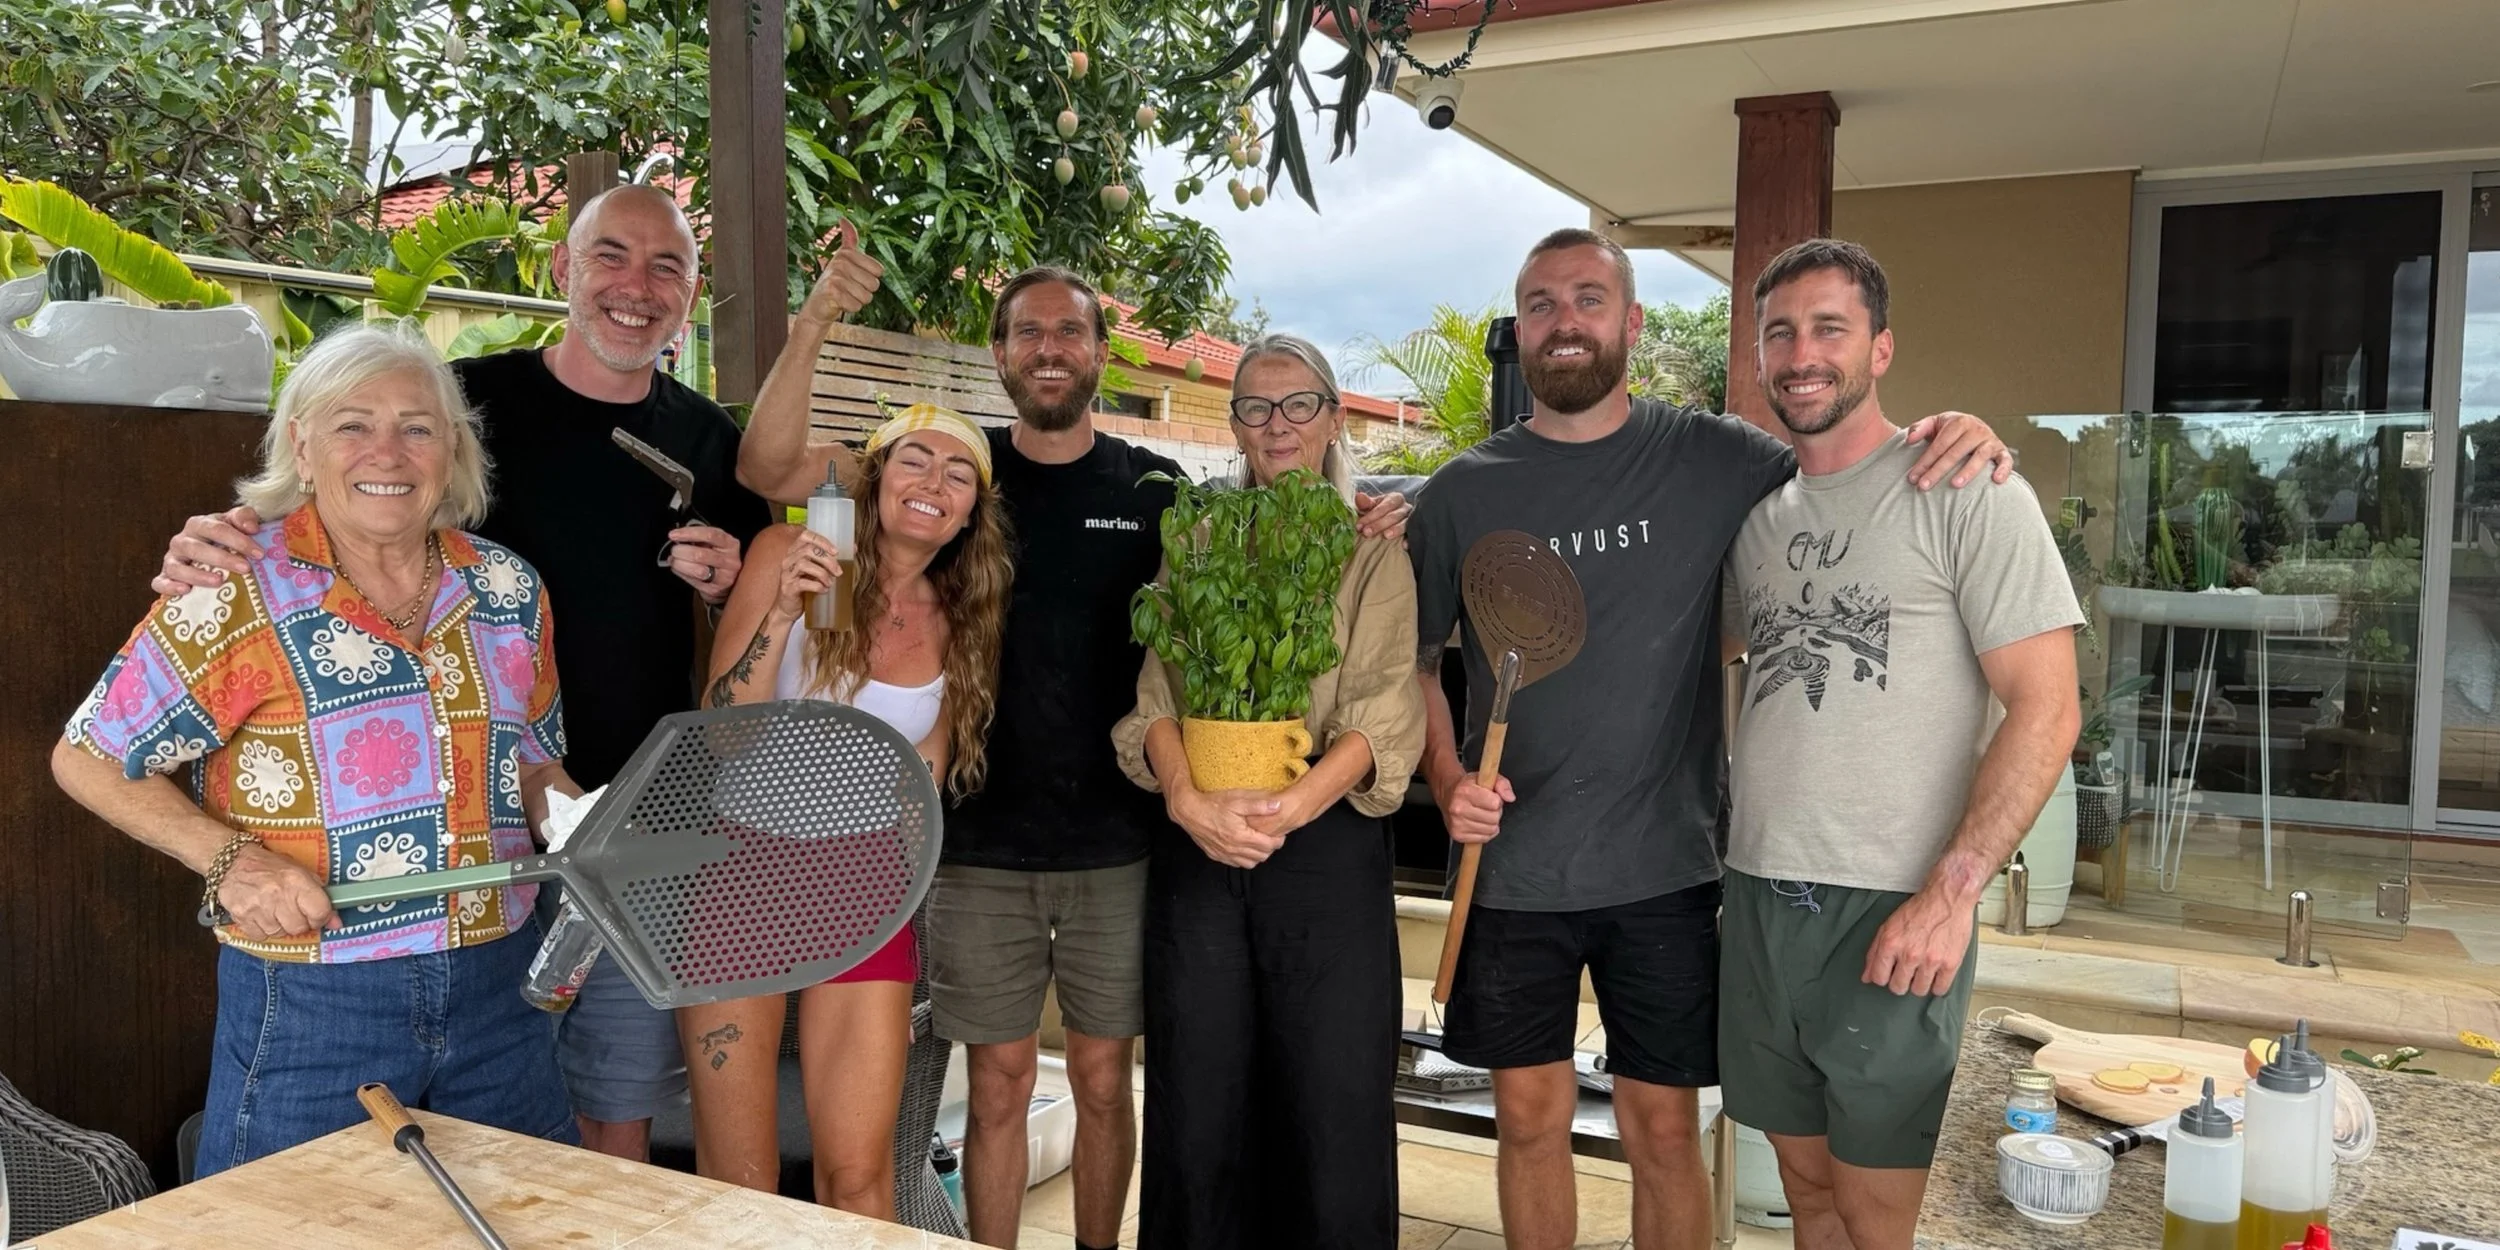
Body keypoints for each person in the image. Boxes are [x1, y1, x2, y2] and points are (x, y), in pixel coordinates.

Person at [735, 268, 1410, 1249]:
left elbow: (1219, 638)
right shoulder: (954, 475)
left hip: (1118, 841)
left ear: (1102, 351)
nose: (1049, 347)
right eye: (1025, 332)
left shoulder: (1159, 489)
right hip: (973, 841)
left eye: (1070, 331)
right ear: (1000, 354)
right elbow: (777, 470)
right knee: (997, 1082)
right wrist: (816, 323)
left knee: (1104, 1077)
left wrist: (1360, 517)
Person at [143, 183, 815, 1162]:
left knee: (599, 1101)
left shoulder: (709, 444)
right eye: (612, 256)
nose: (637, 286)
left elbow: (756, 648)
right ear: (562, 269)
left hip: (619, 820)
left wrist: (721, 590)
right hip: (423, 865)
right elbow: (328, 500)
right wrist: (216, 547)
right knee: (400, 1151)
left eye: (667, 265)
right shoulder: (459, 400)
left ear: (693, 290)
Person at [1408, 227, 2015, 1250]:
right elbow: (1420, 660)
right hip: (1511, 868)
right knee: (1526, 1120)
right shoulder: (1463, 490)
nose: (1565, 321)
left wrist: (1953, 431)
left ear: (1630, 322)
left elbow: (1848, 457)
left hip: (1671, 867)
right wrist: (1448, 771)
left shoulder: (1716, 458)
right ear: (1519, 326)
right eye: (1543, 303)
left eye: (1588, 299)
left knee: (1661, 1129)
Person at [53, 324, 582, 1175]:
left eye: (418, 426)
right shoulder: (233, 587)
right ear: (300, 442)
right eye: (351, 424)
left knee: (524, 1219)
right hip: (316, 991)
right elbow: (87, 755)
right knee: (284, 1229)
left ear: (453, 447)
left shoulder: (506, 587)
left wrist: (583, 823)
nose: (389, 451)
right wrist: (234, 862)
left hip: (501, 985)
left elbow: (529, 758)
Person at [1716, 239, 2080, 1250]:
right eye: (1780, 331)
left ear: (1880, 347)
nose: (1802, 352)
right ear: (1756, 354)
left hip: (1890, 905)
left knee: (1879, 1213)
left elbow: (2047, 708)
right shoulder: (1756, 521)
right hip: (1755, 896)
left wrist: (1951, 892)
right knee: (1803, 1187)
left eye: (1830, 326)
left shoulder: (1966, 488)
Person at [1111, 335, 1425, 1250]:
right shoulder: (1199, 535)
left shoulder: (1371, 547)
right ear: (1234, 422)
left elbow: (1379, 715)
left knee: (1332, 1101)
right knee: (1197, 1096)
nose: (1276, 424)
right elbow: (1155, 699)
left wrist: (1287, 809)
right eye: (1255, 406)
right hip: (1200, 841)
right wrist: (1184, 801)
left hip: (1319, 842)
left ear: (1333, 417)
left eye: (1298, 405)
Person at [678, 403, 1011, 1217]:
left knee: (860, 1180)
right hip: (738, 870)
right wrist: (784, 612)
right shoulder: (787, 552)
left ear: (972, 509)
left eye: (958, 472)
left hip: (864, 888)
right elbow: (722, 735)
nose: (934, 482)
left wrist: (898, 947)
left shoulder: (966, 617)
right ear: (874, 476)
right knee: (739, 1176)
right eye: (914, 460)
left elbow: (921, 791)